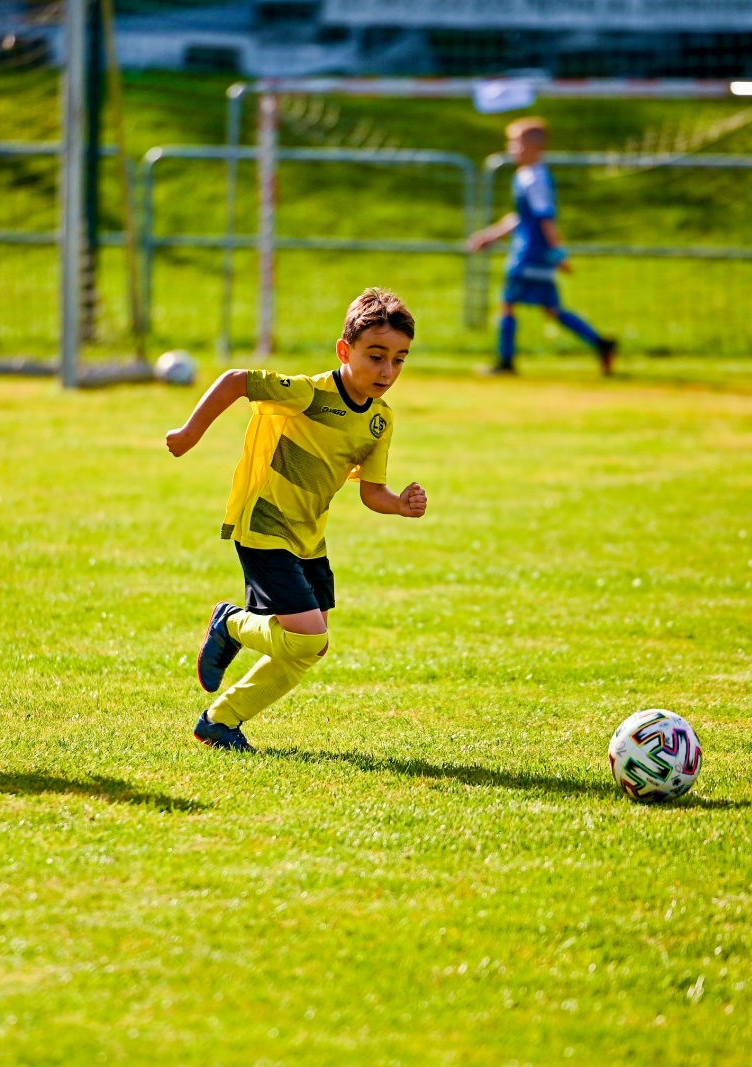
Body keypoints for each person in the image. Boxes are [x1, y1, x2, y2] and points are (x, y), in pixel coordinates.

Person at [165, 287, 429, 752]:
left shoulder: (380, 421)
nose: (387, 371)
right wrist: (190, 433)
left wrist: (400, 503)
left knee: (313, 645)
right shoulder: (309, 394)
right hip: (265, 527)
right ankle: (229, 624)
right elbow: (235, 380)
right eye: (375, 356)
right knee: (307, 639)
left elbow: (371, 493)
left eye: (399, 359)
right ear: (344, 351)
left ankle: (220, 722)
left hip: (309, 538)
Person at [467, 116, 617, 376]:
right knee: (553, 310)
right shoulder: (530, 175)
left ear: (534, 146)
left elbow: (546, 218)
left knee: (508, 303)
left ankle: (506, 362)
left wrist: (559, 253)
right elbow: (523, 217)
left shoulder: (533, 178)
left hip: (528, 253)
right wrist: (492, 235)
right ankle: (601, 343)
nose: (512, 148)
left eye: (515, 143)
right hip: (537, 252)